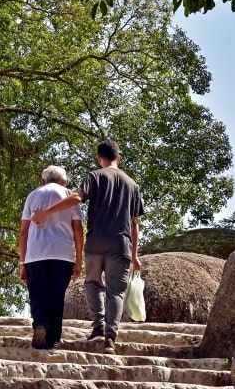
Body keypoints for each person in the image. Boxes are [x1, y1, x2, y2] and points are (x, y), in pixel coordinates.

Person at [32, 139, 144, 355]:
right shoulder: (133, 185)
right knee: (116, 293)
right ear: (118, 158)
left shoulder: (94, 176)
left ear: (98, 158)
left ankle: (98, 329)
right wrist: (135, 254)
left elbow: (76, 197)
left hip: (95, 244)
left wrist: (46, 212)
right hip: (121, 245)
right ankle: (110, 339)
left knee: (92, 284)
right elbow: (135, 223)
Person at [19, 165, 83, 350]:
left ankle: (40, 324)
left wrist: (23, 262)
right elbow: (78, 229)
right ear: (64, 182)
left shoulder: (33, 195)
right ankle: (53, 339)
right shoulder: (70, 195)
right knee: (57, 296)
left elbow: (23, 232)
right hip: (63, 253)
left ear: (43, 181)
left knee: (38, 293)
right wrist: (79, 260)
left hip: (36, 253)